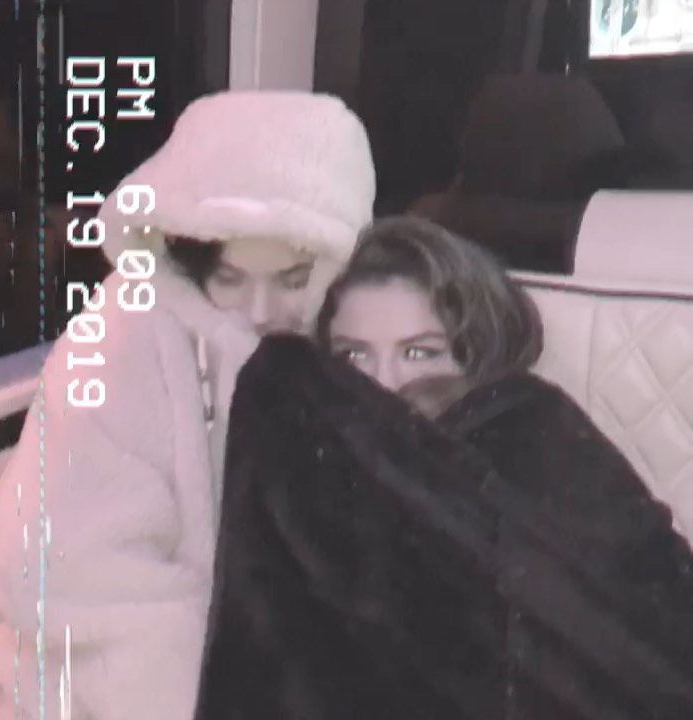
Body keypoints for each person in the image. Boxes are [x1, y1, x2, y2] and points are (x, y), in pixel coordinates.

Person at [194, 216, 693, 720]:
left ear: (474, 355)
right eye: (353, 357)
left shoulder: (531, 428)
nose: (384, 383)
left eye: (419, 353)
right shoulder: (315, 471)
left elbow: (630, 608)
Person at [0, 90, 375, 720]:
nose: (260, 311)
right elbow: (68, 574)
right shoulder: (123, 341)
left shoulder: (358, 348)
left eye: (293, 279)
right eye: (230, 277)